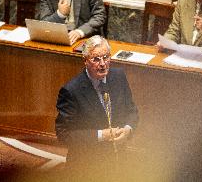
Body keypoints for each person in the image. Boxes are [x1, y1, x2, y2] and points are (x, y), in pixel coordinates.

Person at [55, 35, 139, 181]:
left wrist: (128, 129)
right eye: (96, 59)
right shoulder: (71, 91)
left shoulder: (119, 77)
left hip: (119, 163)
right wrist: (101, 135)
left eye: (106, 57)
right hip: (86, 167)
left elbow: (132, 111)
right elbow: (64, 134)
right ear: (85, 61)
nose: (102, 64)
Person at [39, 0, 106, 44]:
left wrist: (80, 32)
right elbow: (44, 23)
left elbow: (99, 15)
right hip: (57, 38)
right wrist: (60, 14)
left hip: (86, 37)